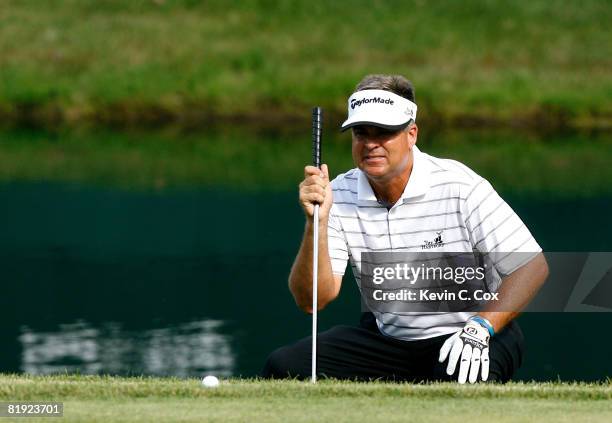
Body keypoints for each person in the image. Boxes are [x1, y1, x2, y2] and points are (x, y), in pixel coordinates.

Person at [262, 74, 549, 383]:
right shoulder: (338, 195)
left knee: (457, 383)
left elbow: (532, 267)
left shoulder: (460, 186)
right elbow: (313, 300)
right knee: (284, 366)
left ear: (411, 134)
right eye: (361, 133)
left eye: (384, 132)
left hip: (474, 332)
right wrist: (314, 223)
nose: (371, 144)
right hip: (389, 341)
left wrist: (482, 327)